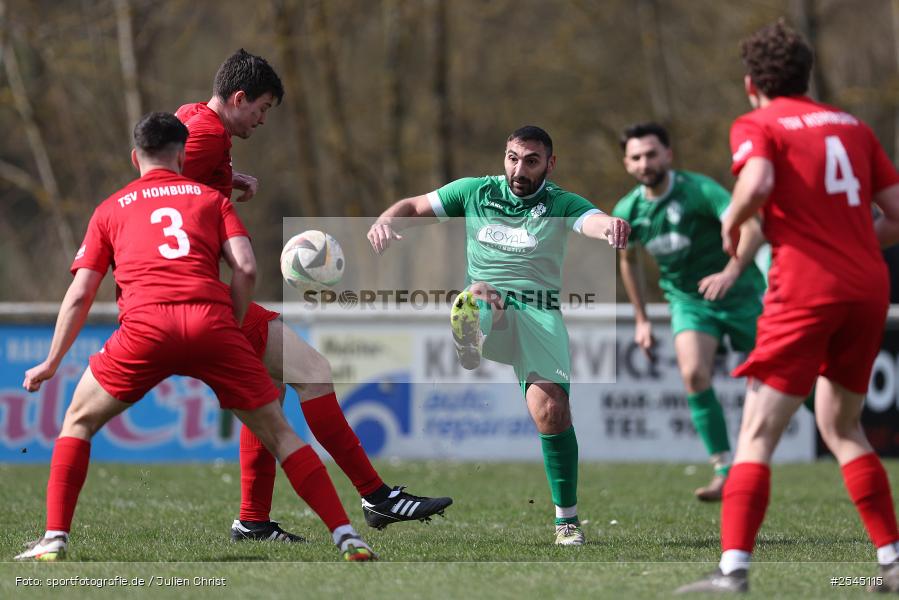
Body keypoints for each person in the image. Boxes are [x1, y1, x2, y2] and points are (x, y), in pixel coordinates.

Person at [14, 113, 375, 562]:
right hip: (211, 322)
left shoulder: (111, 208)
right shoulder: (209, 199)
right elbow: (245, 267)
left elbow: (80, 293)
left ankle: (54, 540)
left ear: (135, 157)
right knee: (281, 435)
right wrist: (234, 322)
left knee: (78, 422)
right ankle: (347, 536)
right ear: (182, 155)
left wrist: (51, 362)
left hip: (145, 328)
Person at [175, 49, 452, 542]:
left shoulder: (192, 117)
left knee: (270, 386)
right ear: (238, 98)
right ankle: (376, 496)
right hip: (191, 293)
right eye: (260, 109)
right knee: (314, 372)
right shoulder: (207, 134)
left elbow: (164, 175)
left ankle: (253, 520)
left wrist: (224, 179)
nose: (262, 120)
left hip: (178, 291)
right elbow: (167, 192)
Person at [676, 21, 899, 593]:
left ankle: (732, 573)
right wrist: (851, 250)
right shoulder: (853, 126)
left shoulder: (758, 123)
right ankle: (893, 560)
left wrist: (731, 218)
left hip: (805, 289)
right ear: (807, 75)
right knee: (842, 424)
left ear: (753, 84)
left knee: (755, 432)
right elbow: (896, 213)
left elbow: (758, 180)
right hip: (869, 287)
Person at [367, 125, 630, 545]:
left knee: (551, 411)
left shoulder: (560, 202)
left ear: (550, 164)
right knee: (479, 293)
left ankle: (566, 521)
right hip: (492, 310)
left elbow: (592, 221)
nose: (519, 169)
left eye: (531, 161)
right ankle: (470, 339)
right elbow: (415, 206)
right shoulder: (475, 192)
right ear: (503, 156)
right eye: (512, 158)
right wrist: (385, 220)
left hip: (538, 315)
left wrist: (611, 226)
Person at [613, 122, 766, 501]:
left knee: (791, 375)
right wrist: (642, 319)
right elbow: (628, 262)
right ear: (627, 164)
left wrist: (731, 272)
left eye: (651, 153)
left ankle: (841, 429)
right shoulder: (628, 210)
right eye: (636, 157)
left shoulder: (698, 190)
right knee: (694, 373)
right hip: (690, 302)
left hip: (742, 294)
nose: (644, 162)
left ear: (668, 155)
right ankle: (725, 470)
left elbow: (753, 227)